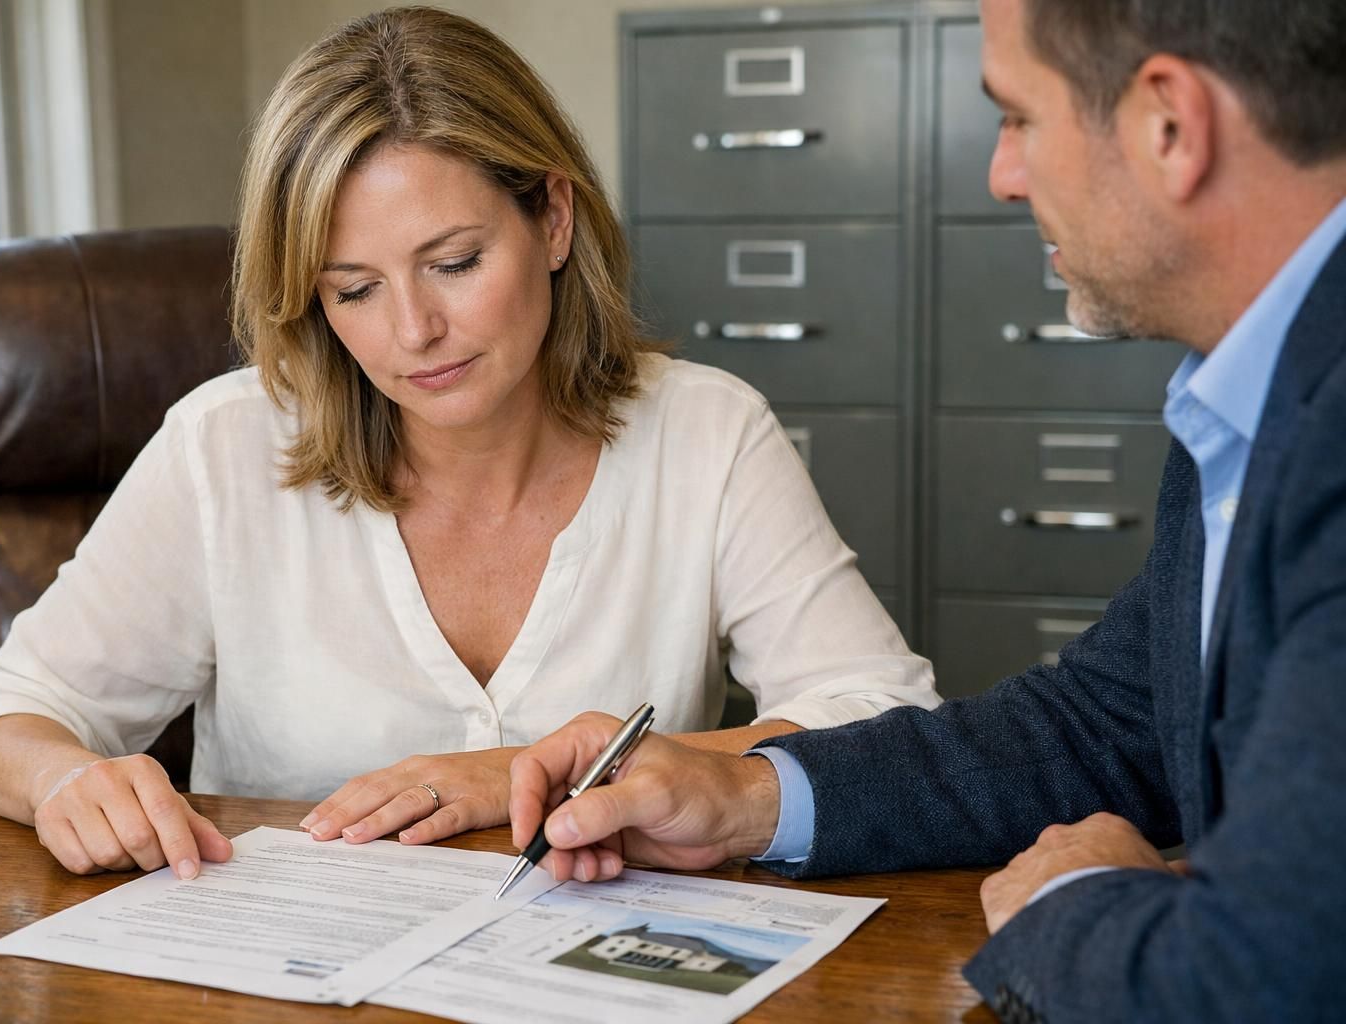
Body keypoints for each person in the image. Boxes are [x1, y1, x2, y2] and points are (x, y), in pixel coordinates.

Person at [0, 8, 937, 883]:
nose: (412, 332)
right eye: (354, 288)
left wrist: (527, 774)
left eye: (453, 262)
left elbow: (885, 716)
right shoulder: (222, 451)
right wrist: (66, 776)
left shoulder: (707, 433)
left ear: (552, 219)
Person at [510, 0, 1346, 1018]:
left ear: (1169, 124)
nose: (1002, 175)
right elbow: (1110, 720)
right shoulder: (1251, 385)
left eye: (1020, 118)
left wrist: (1073, 895)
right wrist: (744, 799)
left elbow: (1267, 979)